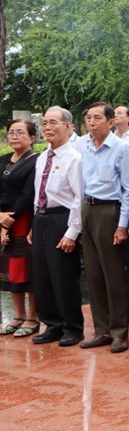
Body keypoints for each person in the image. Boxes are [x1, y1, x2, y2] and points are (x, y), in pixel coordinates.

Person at [79, 102, 129, 354]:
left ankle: (119, 332)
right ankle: (101, 329)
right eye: (88, 118)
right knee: (93, 273)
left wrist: (122, 225)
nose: (91, 122)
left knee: (113, 274)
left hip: (109, 211)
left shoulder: (121, 149)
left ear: (111, 122)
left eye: (97, 118)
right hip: (87, 209)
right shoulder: (83, 146)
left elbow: (128, 190)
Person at [30, 107, 84, 347]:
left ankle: (73, 327)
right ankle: (52, 325)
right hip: (41, 219)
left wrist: (72, 232)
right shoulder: (43, 157)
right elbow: (38, 193)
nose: (48, 128)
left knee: (64, 276)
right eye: (44, 123)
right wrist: (34, 223)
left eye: (53, 123)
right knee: (42, 276)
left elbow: (79, 198)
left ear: (68, 127)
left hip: (62, 219)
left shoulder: (75, 158)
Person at [0, 120, 39, 337]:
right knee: (9, 270)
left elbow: (28, 195)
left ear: (32, 138)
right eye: (11, 132)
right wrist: (0, 220)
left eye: (20, 133)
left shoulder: (35, 161)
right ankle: (17, 315)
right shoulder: (3, 160)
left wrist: (8, 220)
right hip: (3, 221)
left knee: (28, 269)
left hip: (24, 221)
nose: (14, 136)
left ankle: (32, 317)